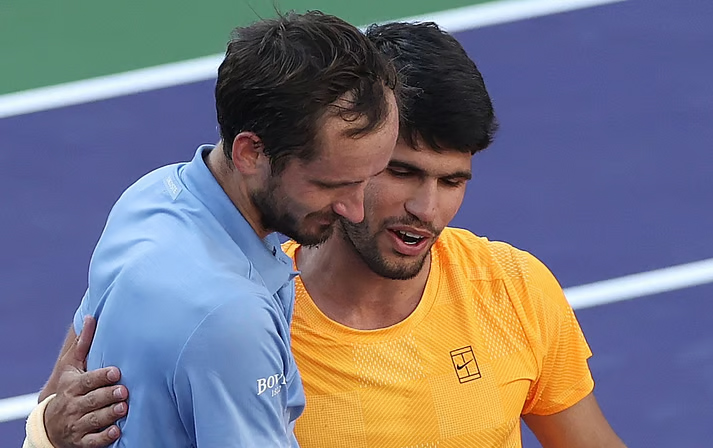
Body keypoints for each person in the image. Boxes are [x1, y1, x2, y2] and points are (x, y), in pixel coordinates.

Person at [24, 21, 626, 448]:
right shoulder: (241, 320)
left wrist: (43, 433)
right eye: (399, 172)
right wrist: (49, 430)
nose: (427, 210)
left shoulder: (515, 288)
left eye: (452, 181)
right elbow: (77, 399)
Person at [22, 10, 400, 448]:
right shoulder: (233, 319)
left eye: (369, 179)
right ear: (250, 153)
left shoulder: (148, 196)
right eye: (331, 184)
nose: (355, 210)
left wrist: (44, 430)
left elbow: (62, 385)